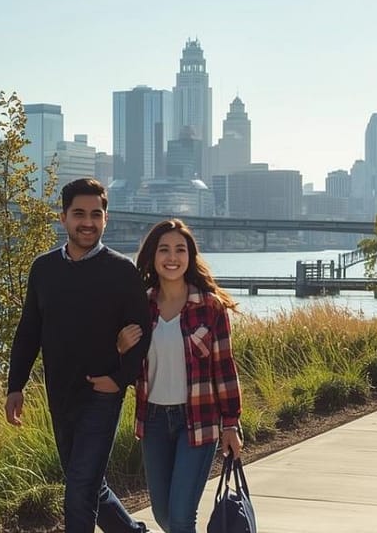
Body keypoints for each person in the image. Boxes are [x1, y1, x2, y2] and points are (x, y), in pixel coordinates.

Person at [5, 177, 153, 533]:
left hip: (102, 394)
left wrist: (118, 380)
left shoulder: (122, 271)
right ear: (63, 218)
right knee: (87, 482)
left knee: (79, 488)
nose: (87, 221)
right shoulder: (43, 268)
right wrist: (15, 385)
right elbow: (29, 332)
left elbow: (142, 335)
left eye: (95, 214)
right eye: (79, 214)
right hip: (60, 393)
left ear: (106, 219)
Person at [117, 218, 243, 533]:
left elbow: (224, 367)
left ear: (190, 257)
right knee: (164, 515)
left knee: (182, 517)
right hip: (154, 421)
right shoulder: (139, 305)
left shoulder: (210, 307)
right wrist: (119, 348)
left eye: (179, 250)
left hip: (198, 421)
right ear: (152, 256)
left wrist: (231, 424)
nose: (172, 257)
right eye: (164, 250)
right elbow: (128, 367)